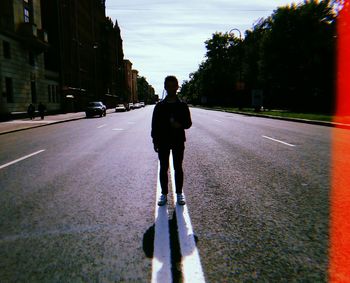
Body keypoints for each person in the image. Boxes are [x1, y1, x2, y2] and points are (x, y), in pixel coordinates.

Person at [151, 75, 192, 206]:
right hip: (163, 141)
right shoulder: (159, 106)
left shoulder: (182, 105)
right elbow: (154, 125)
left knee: (178, 167)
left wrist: (179, 125)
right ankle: (164, 194)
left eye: (173, 86)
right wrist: (154, 141)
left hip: (178, 140)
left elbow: (188, 123)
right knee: (163, 168)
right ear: (165, 87)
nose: (171, 89)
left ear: (177, 87)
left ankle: (179, 194)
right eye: (168, 86)